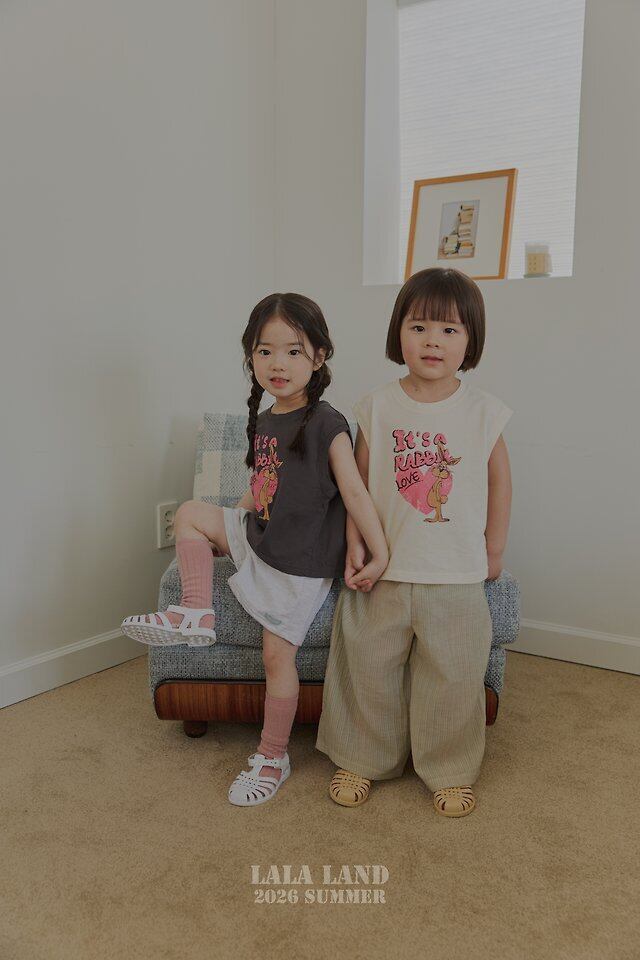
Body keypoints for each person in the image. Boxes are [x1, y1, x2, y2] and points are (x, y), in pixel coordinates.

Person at [121, 293, 389, 806]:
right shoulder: (266, 420)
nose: (277, 364)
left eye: (293, 351)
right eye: (265, 351)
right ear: (251, 357)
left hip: (299, 563)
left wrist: (379, 553)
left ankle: (272, 756)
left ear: (320, 356)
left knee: (275, 657)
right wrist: (225, 525)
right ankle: (194, 612)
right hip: (261, 536)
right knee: (191, 513)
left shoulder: (327, 422)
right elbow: (260, 487)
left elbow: (355, 493)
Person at [316, 267, 513, 818]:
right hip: (385, 571)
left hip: (456, 573)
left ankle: (449, 768)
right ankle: (361, 756)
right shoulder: (377, 407)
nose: (433, 341)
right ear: (398, 332)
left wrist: (494, 549)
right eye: (419, 326)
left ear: (470, 339)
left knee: (453, 676)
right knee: (367, 668)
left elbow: (500, 483)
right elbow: (356, 487)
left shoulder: (484, 411)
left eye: (450, 330)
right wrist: (355, 545)